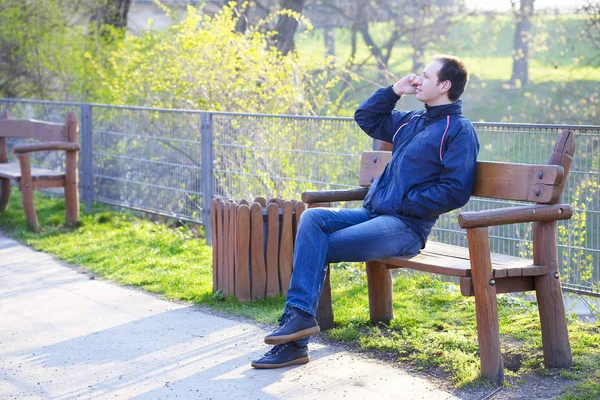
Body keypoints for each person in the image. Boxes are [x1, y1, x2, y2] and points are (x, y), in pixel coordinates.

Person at [251, 54, 480, 369]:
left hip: (406, 228)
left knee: (316, 247)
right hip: (374, 215)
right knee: (313, 218)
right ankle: (299, 320)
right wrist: (394, 91)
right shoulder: (413, 121)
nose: (419, 79)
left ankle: (295, 338)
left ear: (444, 85)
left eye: (426, 76)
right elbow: (366, 118)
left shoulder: (458, 130)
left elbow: (455, 190)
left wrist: (405, 203)